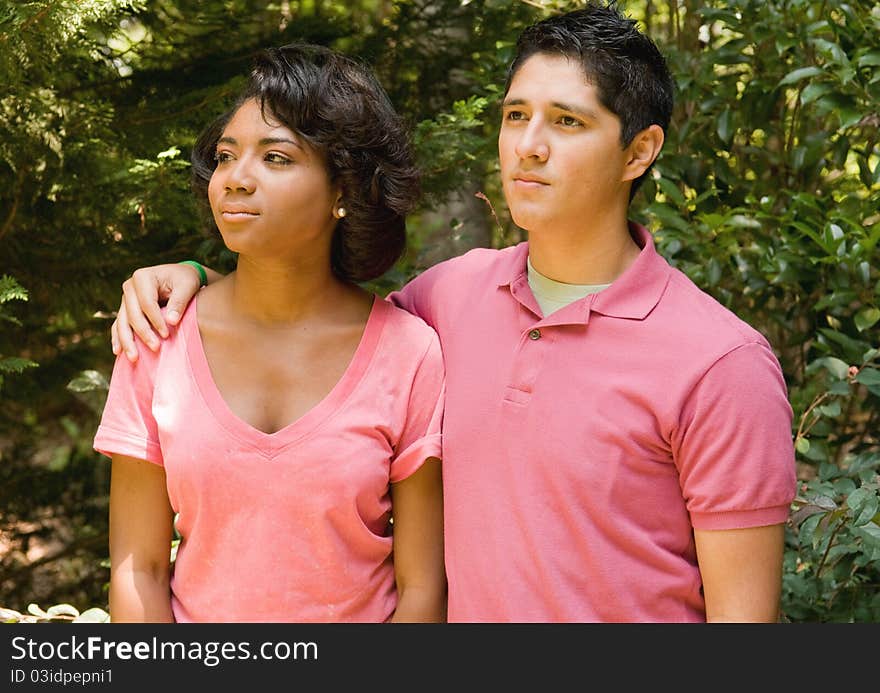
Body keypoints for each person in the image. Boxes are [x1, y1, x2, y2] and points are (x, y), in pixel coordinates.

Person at [107, 3, 797, 622]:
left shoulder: (719, 363)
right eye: (515, 115)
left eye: (567, 121)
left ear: (639, 152)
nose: (528, 144)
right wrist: (191, 275)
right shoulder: (447, 301)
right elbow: (303, 310)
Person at [93, 43, 447, 623]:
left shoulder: (409, 353)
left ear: (343, 191)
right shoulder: (158, 335)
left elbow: (421, 591)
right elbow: (139, 569)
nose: (235, 179)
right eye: (227, 156)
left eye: (275, 158)